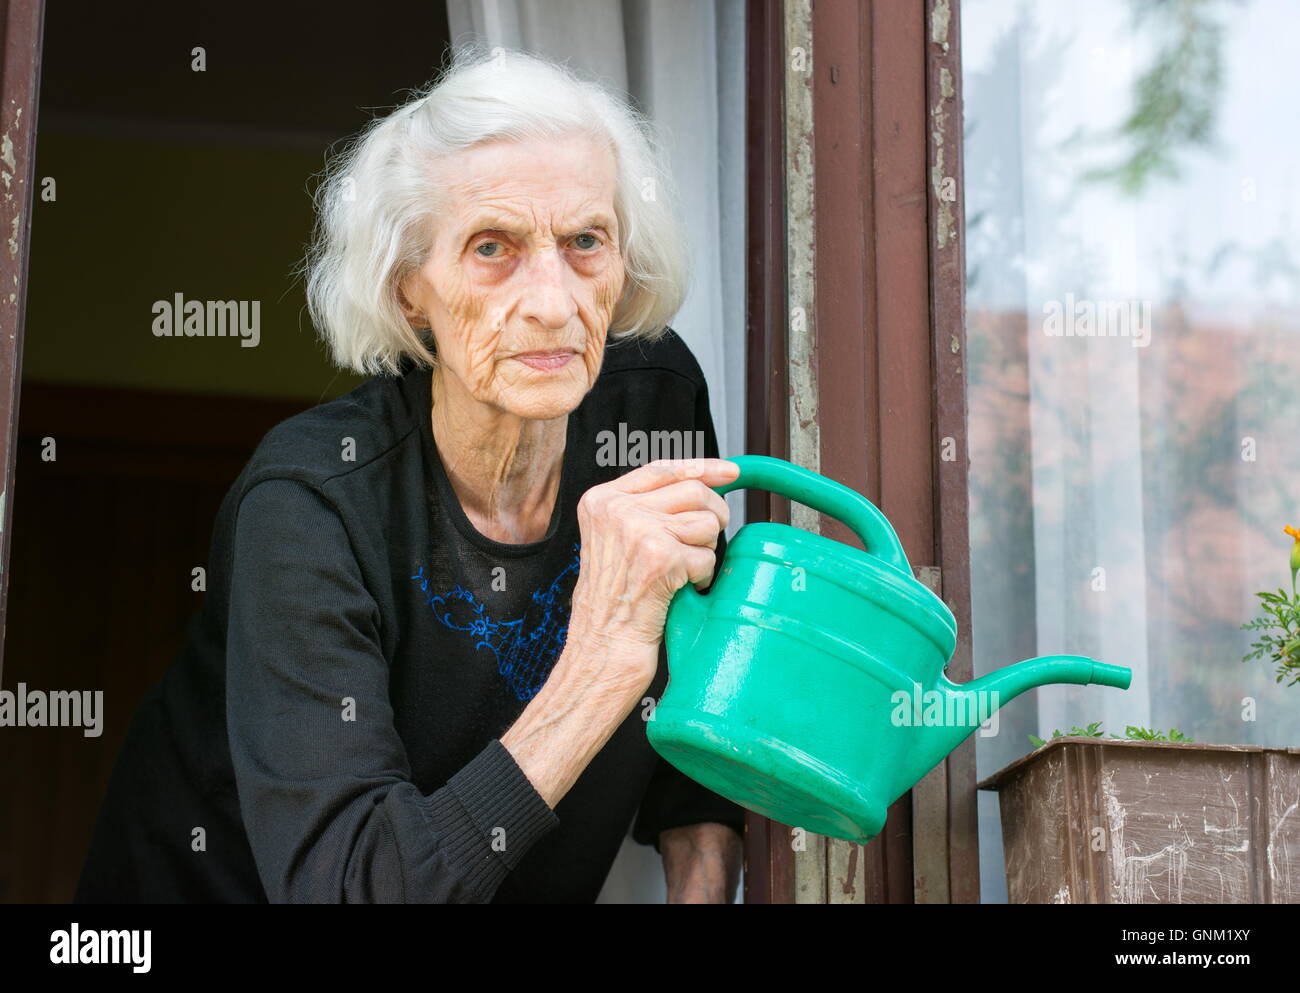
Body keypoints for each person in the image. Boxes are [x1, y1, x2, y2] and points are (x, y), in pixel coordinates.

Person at [73, 45, 745, 904]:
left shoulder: (648, 404)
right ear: (407, 293)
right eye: (493, 247)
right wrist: (601, 664)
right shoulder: (311, 505)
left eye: (585, 242)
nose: (552, 299)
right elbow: (350, 890)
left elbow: (697, 697)